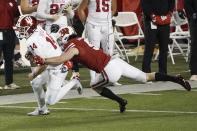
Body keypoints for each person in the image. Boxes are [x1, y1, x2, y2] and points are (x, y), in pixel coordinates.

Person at [33, 27, 191, 113]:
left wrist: (44, 60)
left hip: (108, 69)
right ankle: (176, 79)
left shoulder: (72, 46)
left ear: (65, 38)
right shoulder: (81, 39)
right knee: (146, 77)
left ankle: (121, 101)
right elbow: (68, 59)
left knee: (95, 86)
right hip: (115, 61)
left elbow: (61, 59)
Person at [16, 15, 82, 116]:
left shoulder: (32, 40)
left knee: (51, 100)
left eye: (23, 29)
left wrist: (33, 74)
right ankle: (42, 109)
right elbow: (42, 54)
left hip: (58, 66)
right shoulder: (37, 29)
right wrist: (32, 54)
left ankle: (74, 82)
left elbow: (43, 64)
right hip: (52, 61)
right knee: (36, 83)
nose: (20, 31)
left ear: (30, 28)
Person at [78, 0, 119, 85]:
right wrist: (86, 24)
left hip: (107, 25)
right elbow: (80, 9)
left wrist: (105, 19)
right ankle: (94, 79)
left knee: (109, 53)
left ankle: (110, 78)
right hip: (93, 25)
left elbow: (114, 9)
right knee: (94, 53)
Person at [141, 0, 175, 74]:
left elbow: (172, 2)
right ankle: (146, 73)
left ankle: (163, 73)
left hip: (165, 21)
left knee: (164, 48)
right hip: (151, 21)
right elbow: (144, 3)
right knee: (149, 48)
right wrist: (152, 15)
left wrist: (169, 13)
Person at [0, 0, 20, 89]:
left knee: (9, 58)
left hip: (10, 32)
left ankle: (9, 83)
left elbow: (17, 16)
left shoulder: (13, 2)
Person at [184, 0, 197, 81]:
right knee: (195, 46)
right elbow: (187, 5)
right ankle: (195, 72)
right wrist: (193, 15)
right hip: (195, 22)